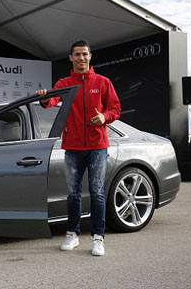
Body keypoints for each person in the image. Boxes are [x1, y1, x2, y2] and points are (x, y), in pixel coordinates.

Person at [36, 40, 120, 256]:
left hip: (97, 146)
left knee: (97, 193)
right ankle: (72, 235)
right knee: (73, 194)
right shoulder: (65, 83)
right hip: (72, 147)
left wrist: (104, 117)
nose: (81, 58)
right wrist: (45, 98)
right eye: (77, 55)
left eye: (84, 54)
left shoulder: (102, 82)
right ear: (70, 58)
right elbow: (53, 100)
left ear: (90, 56)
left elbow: (115, 108)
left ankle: (97, 239)